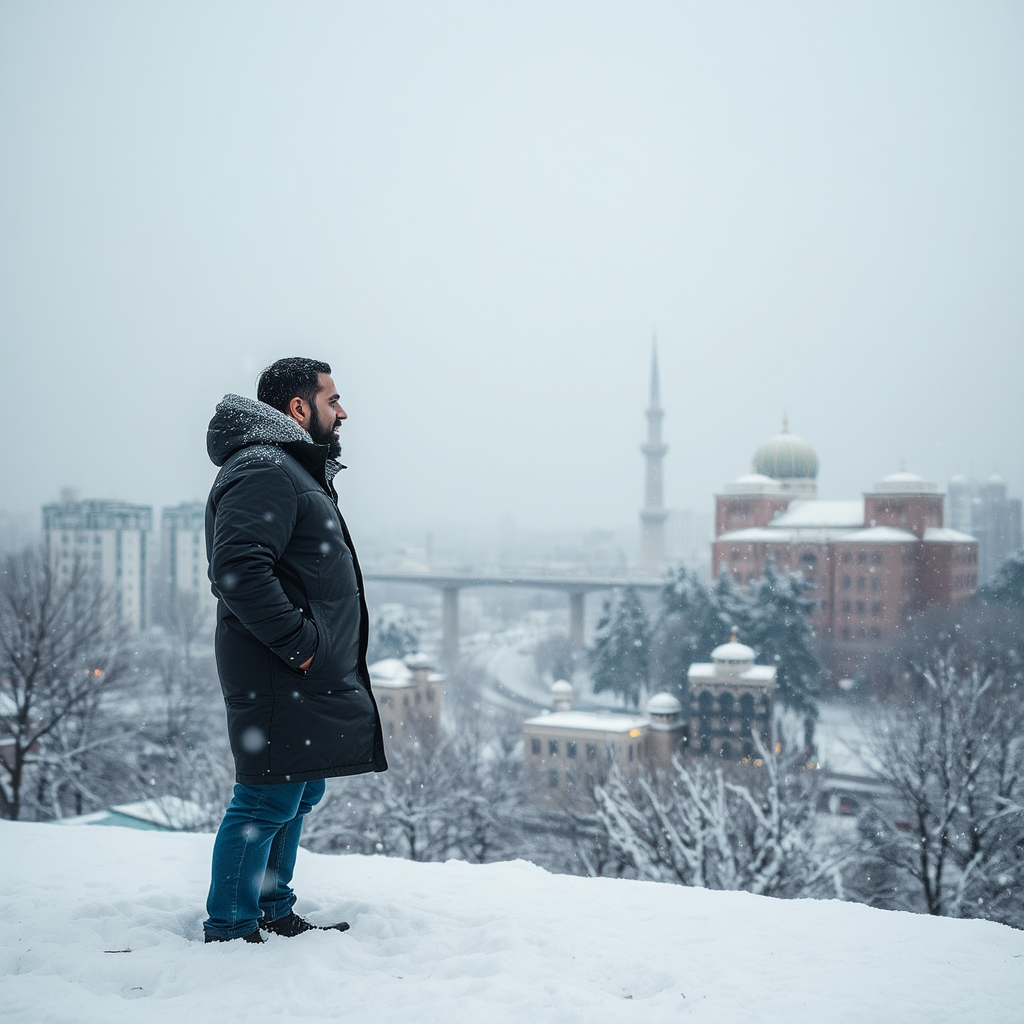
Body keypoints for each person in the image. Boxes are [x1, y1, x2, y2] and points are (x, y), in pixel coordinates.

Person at [202, 357, 387, 944]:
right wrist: (302, 646)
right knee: (264, 798)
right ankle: (231, 926)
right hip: (279, 671)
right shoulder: (266, 469)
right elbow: (237, 569)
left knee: (300, 786)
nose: (344, 411)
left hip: (297, 673)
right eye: (333, 399)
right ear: (299, 409)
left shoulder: (288, 468)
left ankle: (271, 908)